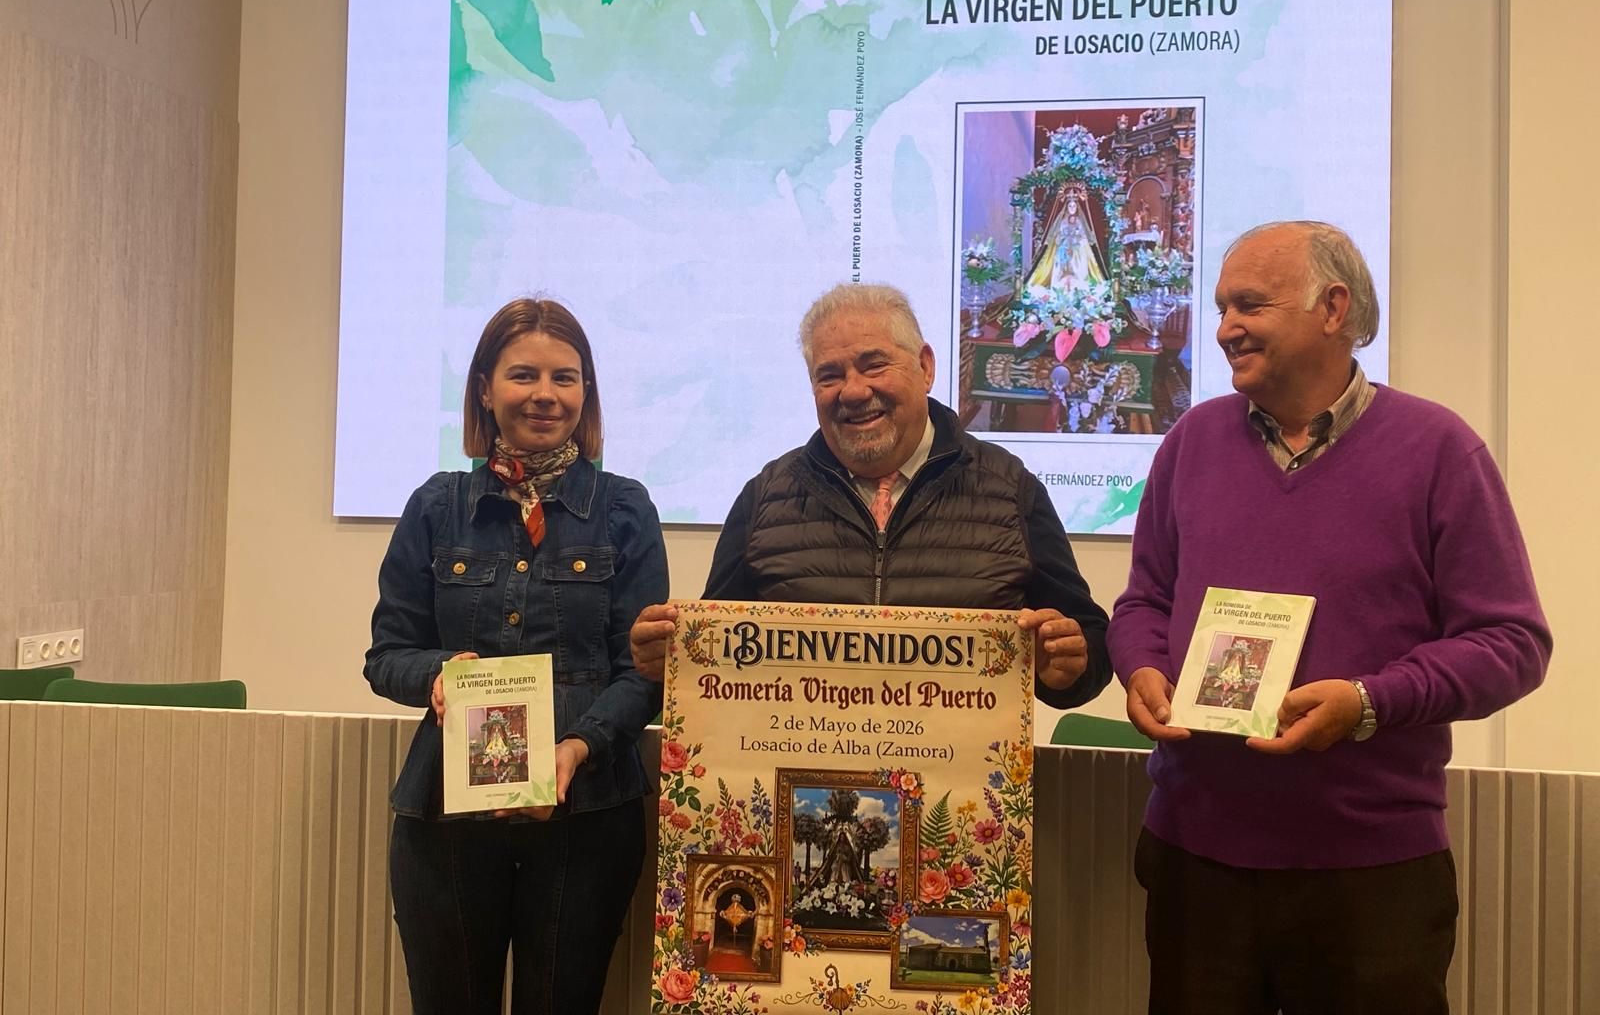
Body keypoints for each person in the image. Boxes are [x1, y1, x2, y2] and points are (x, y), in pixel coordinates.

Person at [1108, 222, 1552, 1015]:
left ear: (1333, 308)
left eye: (1248, 304)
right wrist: (1140, 666)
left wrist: (1370, 702)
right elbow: (1144, 599)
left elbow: (1512, 642)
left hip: (1369, 875)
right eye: (1220, 307)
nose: (1223, 329)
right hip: (1194, 860)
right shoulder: (1189, 442)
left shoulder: (1438, 451)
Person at [364, 297, 667, 1015]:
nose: (544, 395)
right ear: (484, 388)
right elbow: (386, 656)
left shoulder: (626, 510)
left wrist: (580, 745)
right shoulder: (437, 507)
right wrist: (436, 675)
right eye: (522, 374)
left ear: (586, 391)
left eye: (565, 377)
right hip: (446, 822)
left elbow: (647, 673)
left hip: (588, 818)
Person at [629, 282, 1110, 710]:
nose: (854, 391)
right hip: (797, 794)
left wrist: (1067, 666)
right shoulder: (764, 498)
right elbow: (717, 657)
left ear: (924, 367)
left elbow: (1088, 647)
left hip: (957, 798)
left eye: (873, 365)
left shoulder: (1011, 490)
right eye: (829, 375)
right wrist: (668, 661)